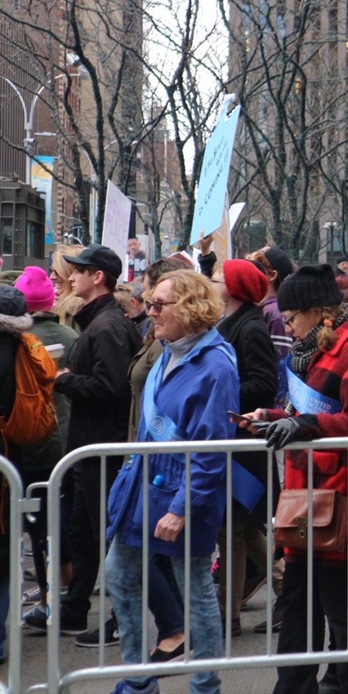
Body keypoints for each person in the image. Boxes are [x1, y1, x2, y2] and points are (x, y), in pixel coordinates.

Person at [238, 263, 348, 694]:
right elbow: (313, 412)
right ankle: (292, 686)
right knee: (300, 604)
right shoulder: (321, 348)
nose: (286, 326)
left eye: (291, 317)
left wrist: (303, 425)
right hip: (311, 494)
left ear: (318, 311)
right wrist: (271, 418)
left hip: (345, 497)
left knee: (344, 612)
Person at [104, 270, 239, 694]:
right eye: (150, 302)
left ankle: (205, 686)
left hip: (182, 494)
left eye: (160, 305)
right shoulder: (167, 349)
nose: (150, 312)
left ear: (191, 309)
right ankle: (137, 680)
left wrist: (182, 507)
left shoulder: (216, 365)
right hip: (143, 487)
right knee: (118, 575)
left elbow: (212, 448)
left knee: (197, 591)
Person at [31, 245, 141, 642]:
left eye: (79, 270)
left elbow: (110, 387)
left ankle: (121, 620)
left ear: (98, 277)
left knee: (107, 535)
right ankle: (75, 610)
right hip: (88, 448)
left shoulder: (108, 325)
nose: (70, 276)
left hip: (102, 448)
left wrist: (63, 379)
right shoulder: (98, 321)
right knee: (83, 533)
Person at [212, 260, 281, 637]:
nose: (213, 280)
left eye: (219, 277)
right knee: (241, 526)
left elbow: (264, 384)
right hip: (234, 438)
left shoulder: (251, 328)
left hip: (243, 440)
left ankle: (227, 614)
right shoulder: (235, 323)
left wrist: (220, 393)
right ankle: (287, 587)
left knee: (233, 528)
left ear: (236, 288)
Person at [12, 268, 76, 629]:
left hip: (27, 441)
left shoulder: (20, 341)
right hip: (62, 438)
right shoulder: (69, 334)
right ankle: (61, 584)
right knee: (57, 516)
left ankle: (49, 588)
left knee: (32, 522)